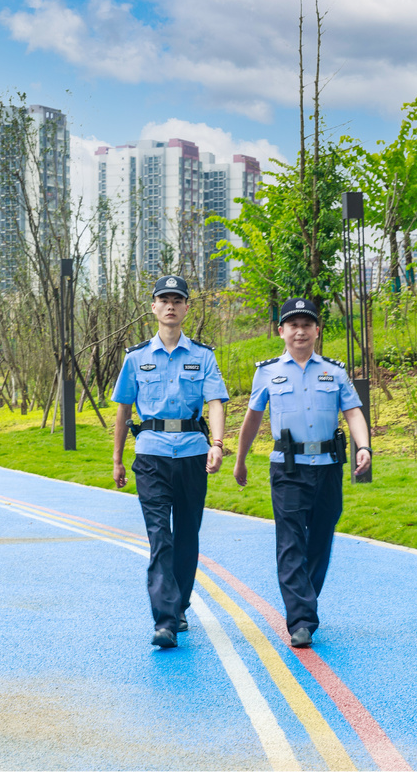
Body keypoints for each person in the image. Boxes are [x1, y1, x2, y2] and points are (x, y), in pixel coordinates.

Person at [232, 297, 371, 648]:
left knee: (320, 540)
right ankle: (301, 620)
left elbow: (353, 411)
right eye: (293, 325)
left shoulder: (334, 371)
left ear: (317, 330)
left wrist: (364, 446)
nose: (300, 331)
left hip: (328, 468)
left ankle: (304, 602)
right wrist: (240, 458)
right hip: (288, 469)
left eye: (307, 324)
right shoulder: (267, 372)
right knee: (291, 542)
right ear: (281, 331)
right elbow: (253, 418)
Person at [112, 275, 229, 649]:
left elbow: (215, 402)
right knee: (160, 536)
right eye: (164, 300)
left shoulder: (203, 356)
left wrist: (217, 443)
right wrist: (117, 459)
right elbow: (123, 409)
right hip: (151, 455)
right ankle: (164, 620)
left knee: (187, 536)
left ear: (186, 308)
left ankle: (179, 606)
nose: (171, 306)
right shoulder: (136, 358)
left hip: (193, 454)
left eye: (178, 300)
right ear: (154, 307)